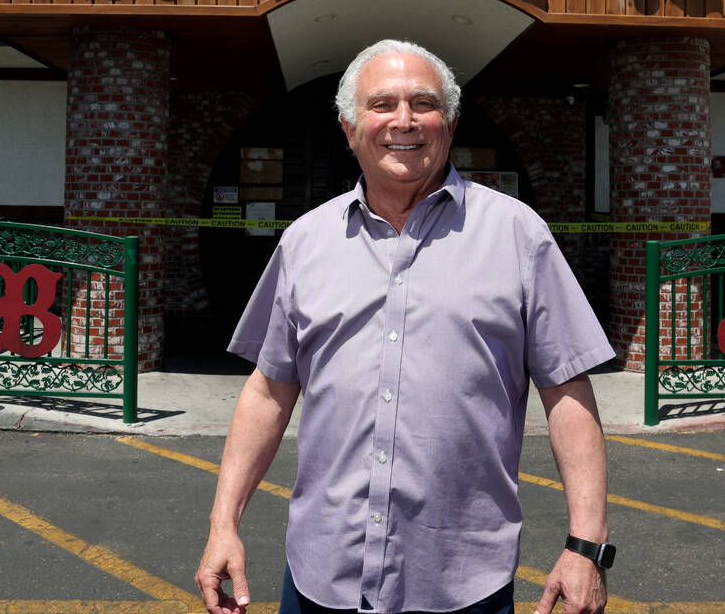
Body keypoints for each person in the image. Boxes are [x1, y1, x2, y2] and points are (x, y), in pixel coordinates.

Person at [196, 39, 616, 614]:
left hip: (463, 581)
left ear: (451, 121)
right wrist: (224, 525)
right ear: (348, 128)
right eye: (382, 104)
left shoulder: (519, 236)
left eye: (423, 102)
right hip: (323, 574)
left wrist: (585, 546)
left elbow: (568, 391)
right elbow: (268, 392)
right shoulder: (306, 242)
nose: (404, 121)